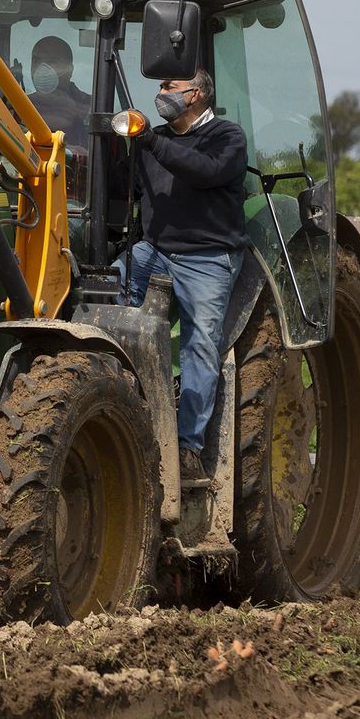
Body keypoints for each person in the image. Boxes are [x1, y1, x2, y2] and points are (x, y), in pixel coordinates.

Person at [123, 69, 248, 481]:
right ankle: (128, 408)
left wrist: (152, 141)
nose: (161, 94)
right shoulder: (152, 142)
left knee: (201, 344)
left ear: (195, 95)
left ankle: (188, 446)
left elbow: (204, 170)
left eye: (169, 88)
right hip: (156, 251)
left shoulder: (226, 138)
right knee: (113, 294)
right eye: (160, 87)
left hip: (208, 258)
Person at [26, 35, 92, 151]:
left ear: (70, 69)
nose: (42, 68)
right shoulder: (19, 106)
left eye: (53, 62)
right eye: (36, 61)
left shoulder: (90, 108)